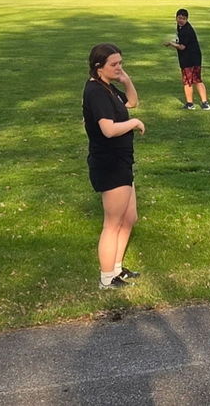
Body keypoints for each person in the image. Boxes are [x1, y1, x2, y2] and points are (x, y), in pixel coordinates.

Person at [83, 43, 144, 290]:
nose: (119, 67)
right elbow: (108, 130)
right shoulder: (95, 92)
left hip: (122, 160)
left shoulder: (108, 88)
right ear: (99, 67)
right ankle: (107, 278)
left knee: (129, 217)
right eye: (114, 64)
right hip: (109, 163)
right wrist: (135, 124)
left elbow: (131, 102)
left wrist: (125, 79)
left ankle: (117, 269)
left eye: (121, 63)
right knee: (113, 223)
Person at [164, 8, 210, 110]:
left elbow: (182, 47)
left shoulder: (186, 30)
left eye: (183, 19)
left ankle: (191, 104)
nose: (181, 20)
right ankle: (203, 103)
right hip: (194, 57)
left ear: (187, 19)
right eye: (179, 18)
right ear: (176, 18)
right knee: (195, 79)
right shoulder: (181, 27)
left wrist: (171, 43)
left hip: (189, 59)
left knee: (189, 81)